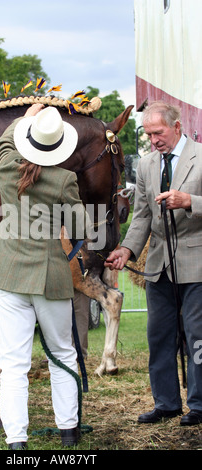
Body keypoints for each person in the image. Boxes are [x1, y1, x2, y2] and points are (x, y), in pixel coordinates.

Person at [0, 104, 88, 449]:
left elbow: (1, 146)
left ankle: (16, 440)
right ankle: (68, 431)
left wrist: (27, 116)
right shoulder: (65, 180)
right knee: (62, 355)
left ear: (29, 139)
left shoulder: (7, 167)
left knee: (13, 364)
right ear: (59, 146)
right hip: (50, 277)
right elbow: (80, 229)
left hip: (9, 276)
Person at [105, 101, 202, 426]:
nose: (153, 140)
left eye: (158, 133)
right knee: (159, 335)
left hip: (196, 263)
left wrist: (189, 201)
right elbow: (143, 215)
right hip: (159, 266)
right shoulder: (147, 164)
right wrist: (127, 251)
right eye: (148, 134)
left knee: (197, 334)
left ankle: (199, 405)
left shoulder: (201, 156)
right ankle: (167, 404)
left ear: (176, 127)